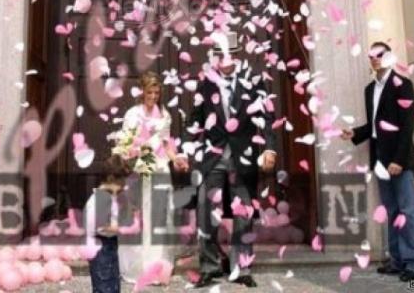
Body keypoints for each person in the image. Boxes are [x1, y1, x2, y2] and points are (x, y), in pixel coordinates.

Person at [184, 33, 277, 289]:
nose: (222, 60)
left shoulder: (253, 82)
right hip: (212, 157)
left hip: (243, 157)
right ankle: (210, 267)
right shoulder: (206, 84)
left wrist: (269, 148)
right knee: (205, 212)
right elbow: (194, 120)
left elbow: (267, 118)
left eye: (226, 55)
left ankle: (242, 267)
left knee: (244, 213)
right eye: (218, 55)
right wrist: (184, 149)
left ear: (235, 56)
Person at [341, 41, 414, 282]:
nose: (375, 58)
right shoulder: (370, 90)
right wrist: (355, 133)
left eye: (380, 54)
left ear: (389, 56)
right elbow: (376, 125)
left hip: (399, 159)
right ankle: (397, 260)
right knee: (392, 210)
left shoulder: (403, 85)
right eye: (371, 55)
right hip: (379, 158)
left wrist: (399, 159)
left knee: (407, 210)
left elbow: (407, 125)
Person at [117, 71, 187, 284]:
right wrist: (130, 154)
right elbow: (125, 144)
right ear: (142, 92)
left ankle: (158, 264)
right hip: (142, 168)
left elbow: (166, 143)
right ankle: (143, 266)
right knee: (143, 215)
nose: (154, 97)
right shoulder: (132, 114)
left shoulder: (164, 114)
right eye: (150, 92)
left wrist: (175, 159)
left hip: (161, 168)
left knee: (161, 215)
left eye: (157, 93)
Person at [85, 154, 132, 293]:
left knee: (112, 283)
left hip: (109, 246)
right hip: (100, 248)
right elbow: (100, 226)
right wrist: (120, 228)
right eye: (122, 183)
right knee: (104, 285)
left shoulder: (108, 197)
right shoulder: (100, 199)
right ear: (111, 178)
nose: (124, 187)